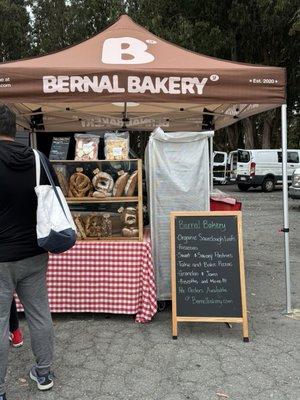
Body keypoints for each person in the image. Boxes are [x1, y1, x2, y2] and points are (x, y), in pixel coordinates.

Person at [0, 105, 59, 400]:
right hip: (35, 253)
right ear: (16, 129)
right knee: (39, 314)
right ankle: (44, 372)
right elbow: (54, 200)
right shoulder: (37, 159)